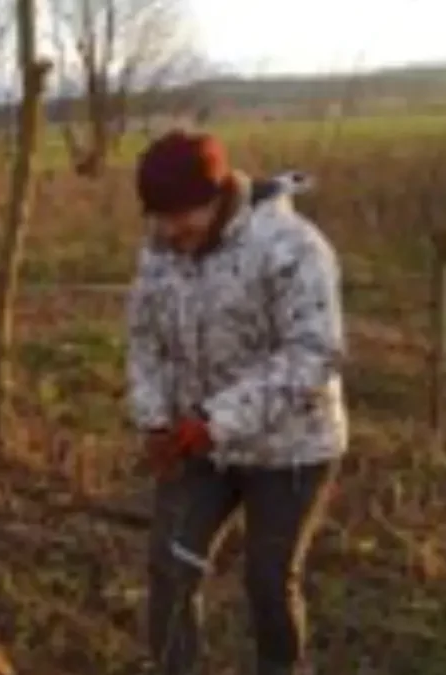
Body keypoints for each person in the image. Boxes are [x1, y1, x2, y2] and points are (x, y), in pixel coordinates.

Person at [126, 128, 347, 675]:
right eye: (161, 217)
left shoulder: (292, 248)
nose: (173, 230)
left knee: (268, 581)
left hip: (292, 449)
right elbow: (144, 340)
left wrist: (216, 421)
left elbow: (314, 354)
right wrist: (155, 420)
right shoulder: (159, 252)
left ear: (220, 194)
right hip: (197, 445)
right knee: (171, 569)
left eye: (183, 216)